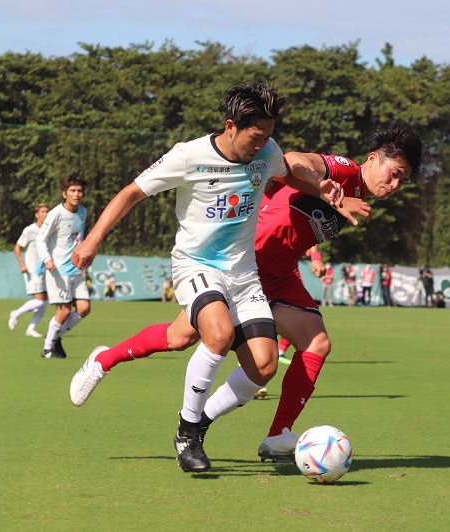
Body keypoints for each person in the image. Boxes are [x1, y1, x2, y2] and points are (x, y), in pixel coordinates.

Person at [67, 81, 343, 473]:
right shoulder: (189, 156)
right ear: (231, 126)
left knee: (261, 365)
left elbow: (285, 174)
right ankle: (188, 433)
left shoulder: (267, 150)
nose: (261, 144)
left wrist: (320, 186)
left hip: (243, 275)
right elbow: (131, 193)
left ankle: (105, 359)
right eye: (255, 136)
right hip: (195, 265)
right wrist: (93, 239)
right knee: (217, 333)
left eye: (268, 136)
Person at [200, 122, 422, 462]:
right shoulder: (345, 171)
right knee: (180, 337)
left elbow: (300, 227)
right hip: (247, 262)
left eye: (401, 181)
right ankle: (115, 364)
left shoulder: (359, 197)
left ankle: (277, 435)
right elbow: (291, 160)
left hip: (279, 274)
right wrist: (326, 188)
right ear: (372, 159)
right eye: (393, 174)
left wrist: (315, 255)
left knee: (316, 343)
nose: (394, 185)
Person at [36, 176, 91, 359]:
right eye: (72, 191)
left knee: (84, 308)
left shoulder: (83, 212)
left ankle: (55, 334)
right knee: (64, 311)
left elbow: (79, 238)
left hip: (77, 269)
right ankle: (47, 349)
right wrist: (47, 259)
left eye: (79, 191)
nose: (76, 194)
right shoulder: (56, 214)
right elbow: (41, 239)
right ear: (64, 193)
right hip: (59, 270)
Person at [8, 203, 50, 338]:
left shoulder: (49, 229)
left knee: (45, 302)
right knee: (39, 300)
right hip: (32, 270)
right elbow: (17, 247)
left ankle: (31, 329)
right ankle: (16, 313)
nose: (45, 214)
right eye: (42, 211)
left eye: (47, 211)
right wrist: (22, 264)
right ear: (37, 215)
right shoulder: (30, 230)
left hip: (45, 270)